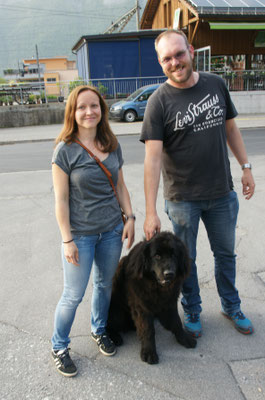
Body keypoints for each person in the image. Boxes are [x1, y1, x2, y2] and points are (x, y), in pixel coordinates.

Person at [140, 29, 255, 339]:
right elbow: (151, 160)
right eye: (167, 58)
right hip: (181, 199)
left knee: (226, 256)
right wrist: (150, 211)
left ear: (190, 50)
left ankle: (231, 306)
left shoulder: (216, 84)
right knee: (183, 261)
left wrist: (245, 167)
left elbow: (231, 129)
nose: (175, 62)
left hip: (221, 193)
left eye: (179, 54)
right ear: (160, 63)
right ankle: (192, 310)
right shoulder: (158, 102)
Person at [51, 85, 135, 377]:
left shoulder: (111, 143)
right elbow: (61, 200)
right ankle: (59, 345)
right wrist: (67, 240)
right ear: (72, 112)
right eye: (82, 107)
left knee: (104, 286)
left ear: (102, 109)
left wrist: (130, 218)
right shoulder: (65, 149)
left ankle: (99, 330)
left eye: (94, 106)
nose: (89, 112)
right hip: (81, 236)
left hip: (112, 230)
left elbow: (121, 185)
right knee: (73, 295)